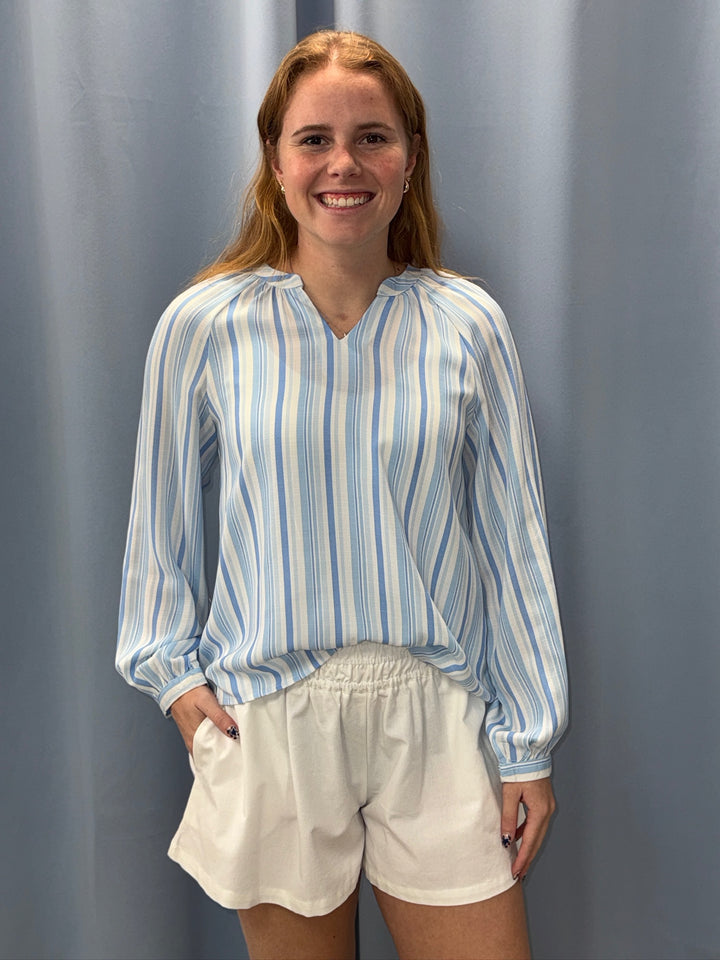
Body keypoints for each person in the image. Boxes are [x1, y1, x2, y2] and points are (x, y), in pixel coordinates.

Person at [117, 29, 568, 960]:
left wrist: (527, 742)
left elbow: (514, 539)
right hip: (272, 719)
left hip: (437, 713)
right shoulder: (204, 325)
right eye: (314, 138)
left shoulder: (466, 323)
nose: (344, 163)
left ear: (410, 160)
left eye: (374, 136)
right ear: (275, 162)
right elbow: (156, 523)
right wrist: (174, 679)